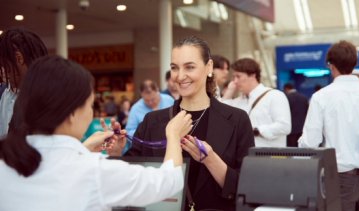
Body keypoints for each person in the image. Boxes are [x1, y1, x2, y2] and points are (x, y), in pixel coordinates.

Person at [0, 55, 193, 211]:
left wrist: (84, 149)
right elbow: (168, 182)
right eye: (90, 104)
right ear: (71, 113)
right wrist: (174, 135)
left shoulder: (6, 162)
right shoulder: (93, 171)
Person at [125, 36, 254, 211]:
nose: (180, 76)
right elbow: (133, 177)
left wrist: (211, 160)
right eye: (174, 68)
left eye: (190, 67)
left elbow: (248, 187)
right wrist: (117, 152)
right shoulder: (153, 121)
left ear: (208, 67)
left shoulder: (237, 119)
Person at [298, 41, 359, 211]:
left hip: (339, 179)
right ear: (355, 64)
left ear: (330, 66)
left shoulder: (321, 97)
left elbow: (311, 142)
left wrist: (300, 144)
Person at [222, 58, 291, 147]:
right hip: (244, 157)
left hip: (269, 156)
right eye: (233, 77)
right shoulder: (238, 101)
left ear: (252, 75)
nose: (235, 81)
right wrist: (229, 91)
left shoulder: (275, 96)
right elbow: (220, 115)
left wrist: (256, 130)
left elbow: (284, 126)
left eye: (238, 76)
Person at [0, 27, 48, 137]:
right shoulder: (5, 93)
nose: (1, 71)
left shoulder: (47, 98)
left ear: (18, 58)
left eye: (2, 64)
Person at [283, 83, 309, 147]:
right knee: (300, 149)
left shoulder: (286, 98)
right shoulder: (304, 98)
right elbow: (307, 112)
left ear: (286, 89)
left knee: (291, 151)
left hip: (291, 130)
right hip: (302, 129)